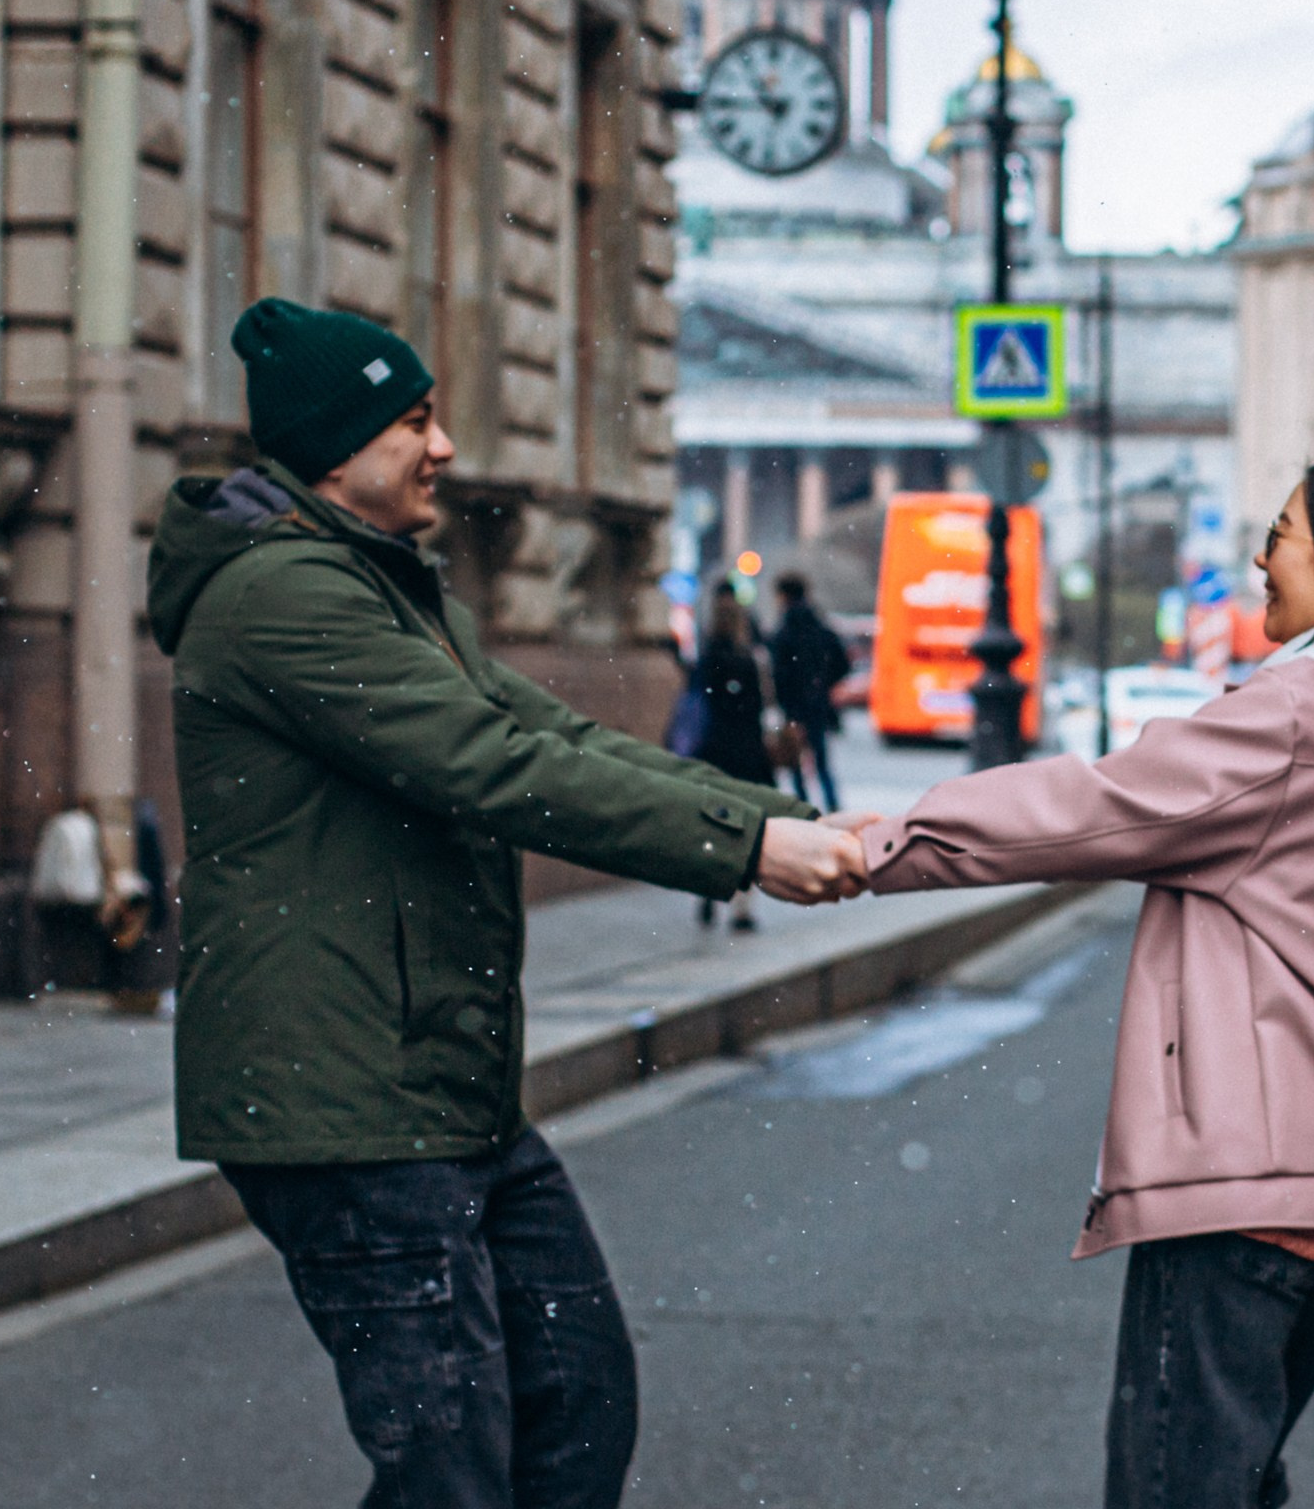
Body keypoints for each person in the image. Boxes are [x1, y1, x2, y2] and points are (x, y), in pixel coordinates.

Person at [147, 299, 869, 1509]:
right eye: (414, 422)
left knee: (577, 1402)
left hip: (435, 1082)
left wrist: (763, 815)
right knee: (452, 1465)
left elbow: (558, 734)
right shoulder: (283, 598)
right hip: (348, 1100)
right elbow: (495, 768)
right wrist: (747, 849)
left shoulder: (391, 589)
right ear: (335, 450)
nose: (443, 448)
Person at [854, 455, 1314, 1508]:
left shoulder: (1308, 705)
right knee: (1230, 1480)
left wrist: (881, 846)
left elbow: (1097, 807)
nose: (1259, 556)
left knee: (1173, 1490)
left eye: (1283, 533)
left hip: (1253, 1180)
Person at [686, 581, 778, 930]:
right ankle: (741, 907)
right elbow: (762, 705)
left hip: (714, 752)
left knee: (712, 826)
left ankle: (707, 894)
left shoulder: (709, 655)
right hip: (748, 754)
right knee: (747, 832)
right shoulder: (752, 657)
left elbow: (699, 700)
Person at [769, 573, 851, 813]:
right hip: (818, 705)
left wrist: (786, 701)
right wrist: (823, 684)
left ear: (783, 595)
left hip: (795, 707)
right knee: (822, 764)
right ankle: (833, 807)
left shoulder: (785, 631)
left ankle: (803, 810)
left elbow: (779, 674)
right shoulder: (819, 627)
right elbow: (842, 663)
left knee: (796, 764)